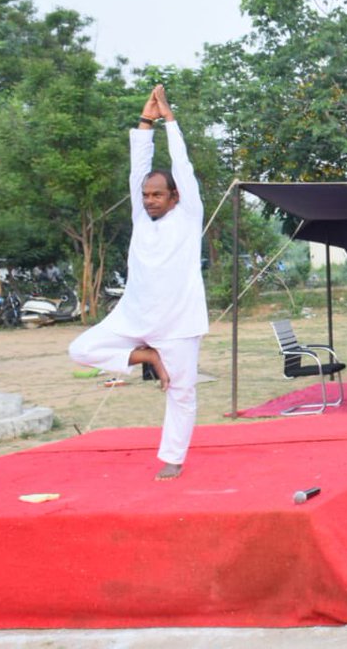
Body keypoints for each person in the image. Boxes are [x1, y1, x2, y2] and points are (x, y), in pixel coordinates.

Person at [69, 85, 209, 480]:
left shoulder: (187, 215)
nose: (148, 200)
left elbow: (182, 166)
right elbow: (138, 166)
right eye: (145, 194)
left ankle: (173, 457)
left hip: (178, 322)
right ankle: (148, 358)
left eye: (157, 195)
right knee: (80, 349)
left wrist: (169, 120)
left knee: (181, 391)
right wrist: (144, 122)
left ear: (175, 197)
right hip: (134, 317)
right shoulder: (140, 217)